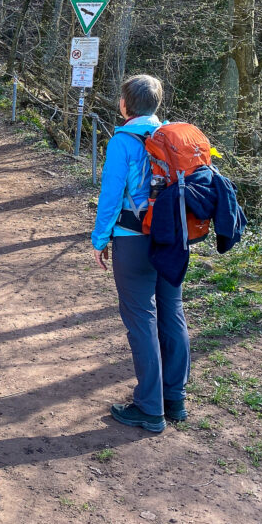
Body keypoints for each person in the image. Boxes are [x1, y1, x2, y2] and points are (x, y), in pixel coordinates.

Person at [91, 74, 190, 433]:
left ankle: (149, 408)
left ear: (124, 104)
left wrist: (100, 240)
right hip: (173, 237)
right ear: (157, 104)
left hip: (134, 238)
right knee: (172, 311)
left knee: (141, 316)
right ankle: (174, 399)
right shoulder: (173, 137)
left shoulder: (123, 140)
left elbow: (111, 195)